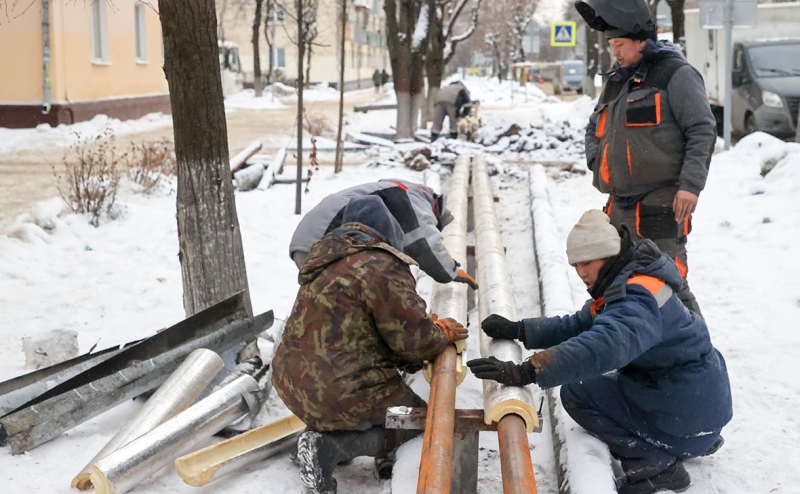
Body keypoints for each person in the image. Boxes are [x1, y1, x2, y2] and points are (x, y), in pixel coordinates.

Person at [467, 210, 732, 494]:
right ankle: (688, 438)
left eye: (587, 262)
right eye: (576, 265)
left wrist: (527, 371)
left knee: (578, 392)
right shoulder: (630, 281)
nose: (581, 272)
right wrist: (520, 330)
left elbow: (602, 346)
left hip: (688, 414)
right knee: (604, 380)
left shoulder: (635, 298)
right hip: (697, 406)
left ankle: (656, 466)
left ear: (607, 255)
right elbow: (580, 325)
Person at [273, 196, 469, 494]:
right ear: (387, 232)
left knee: (351, 403)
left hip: (292, 384)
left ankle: (329, 435)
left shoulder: (323, 262)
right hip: (340, 388)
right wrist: (441, 331)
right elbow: (415, 342)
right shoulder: (381, 265)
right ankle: (330, 446)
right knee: (420, 423)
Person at [575, 0, 717, 316]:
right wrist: (596, 160)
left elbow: (702, 129)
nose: (616, 52)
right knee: (618, 284)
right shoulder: (616, 80)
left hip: (661, 202)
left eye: (621, 45)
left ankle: (698, 356)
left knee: (668, 283)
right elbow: (593, 127)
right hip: (619, 204)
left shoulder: (675, 74)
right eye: (612, 45)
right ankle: (636, 355)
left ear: (642, 41)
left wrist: (690, 186)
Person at [289, 179, 478, 289]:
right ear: (435, 207)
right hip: (322, 238)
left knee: (332, 301)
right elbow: (423, 242)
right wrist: (450, 271)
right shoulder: (414, 197)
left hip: (309, 240)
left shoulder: (392, 189)